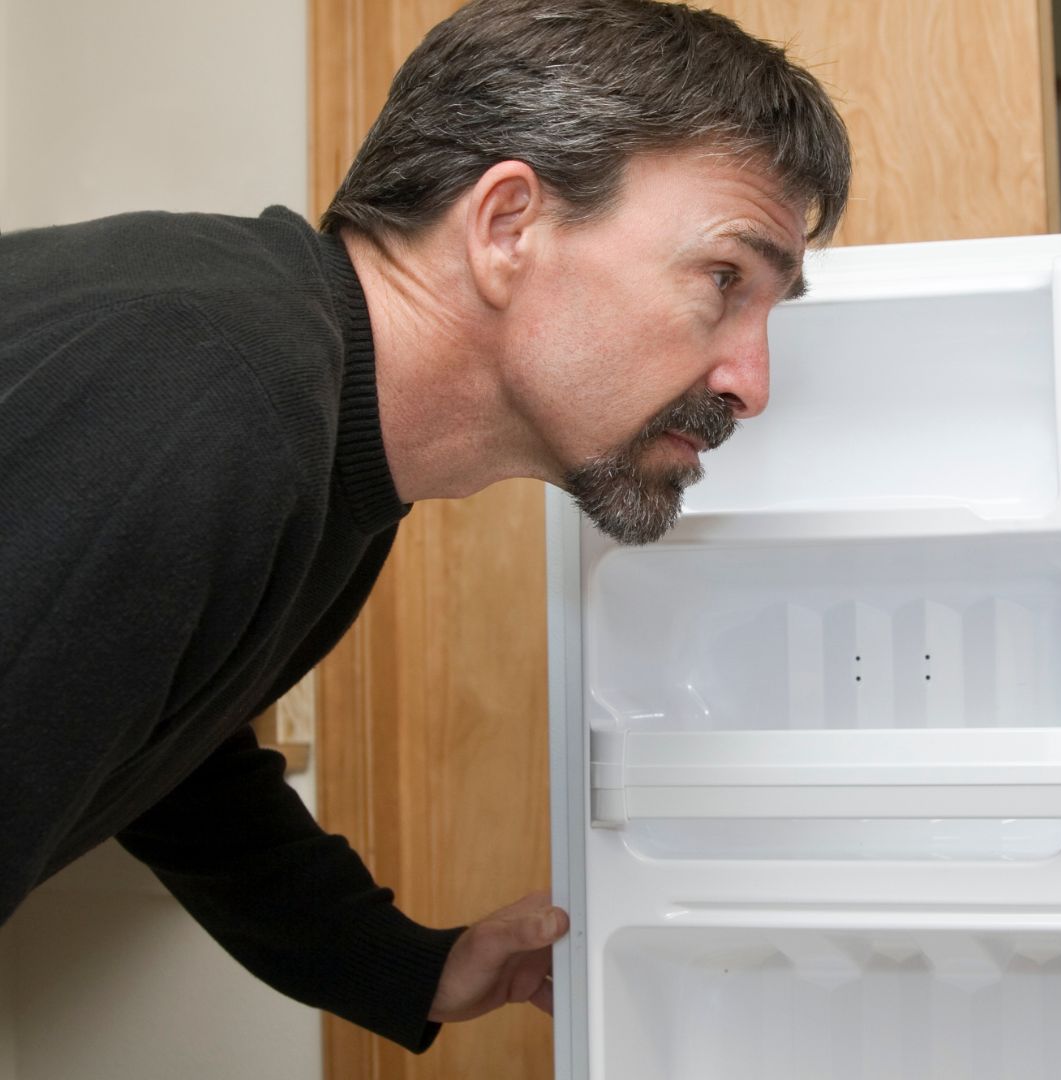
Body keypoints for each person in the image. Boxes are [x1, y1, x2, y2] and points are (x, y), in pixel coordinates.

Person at [0, 0, 849, 1053]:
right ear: (507, 227)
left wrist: (403, 964)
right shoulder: (213, 392)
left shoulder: (318, 439)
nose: (751, 384)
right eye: (724, 279)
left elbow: (163, 737)